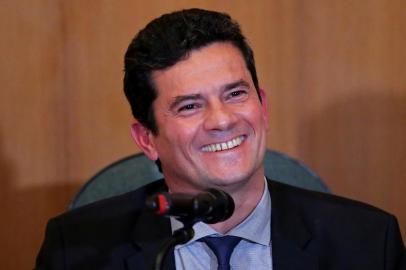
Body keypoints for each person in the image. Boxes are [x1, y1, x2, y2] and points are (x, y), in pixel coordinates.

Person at [35, 8, 405, 270]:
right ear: (147, 138)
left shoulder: (369, 242)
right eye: (190, 106)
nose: (223, 120)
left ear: (262, 106)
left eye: (235, 95)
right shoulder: (78, 250)